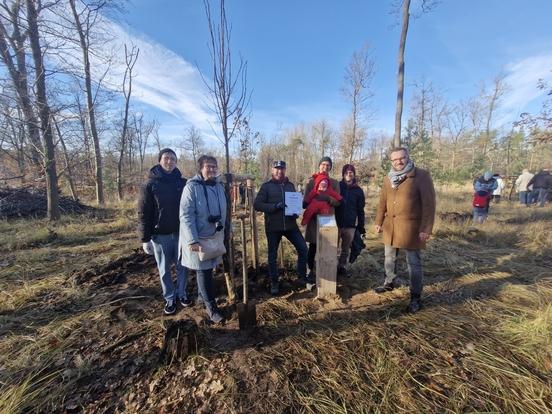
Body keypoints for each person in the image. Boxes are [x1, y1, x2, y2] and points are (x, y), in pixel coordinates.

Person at [374, 147, 436, 314]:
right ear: (391, 161)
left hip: (411, 229)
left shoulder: (421, 176)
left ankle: (415, 297)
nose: (398, 162)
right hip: (390, 227)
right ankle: (389, 282)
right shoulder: (388, 178)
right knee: (389, 257)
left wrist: (426, 229)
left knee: (413, 263)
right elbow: (382, 202)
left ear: (407, 157)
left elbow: (429, 205)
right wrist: (379, 222)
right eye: (394, 160)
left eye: (401, 158)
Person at [138, 148, 189, 315]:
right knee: (164, 269)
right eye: (166, 158)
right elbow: (143, 212)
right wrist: (145, 238)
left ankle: (182, 293)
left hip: (180, 234)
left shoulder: (182, 183)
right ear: (160, 160)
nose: (170, 162)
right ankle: (169, 297)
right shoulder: (149, 185)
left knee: (183, 266)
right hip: (160, 236)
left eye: (173, 159)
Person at [179, 155, 227, 323]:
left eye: (214, 166)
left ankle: (202, 297)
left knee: (210, 267)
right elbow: (186, 215)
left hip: (215, 236)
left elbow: (224, 210)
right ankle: (211, 308)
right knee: (203, 270)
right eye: (208, 166)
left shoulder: (218, 186)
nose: (212, 169)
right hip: (199, 238)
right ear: (200, 168)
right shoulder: (191, 187)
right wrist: (192, 239)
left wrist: (226, 230)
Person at [254, 160, 308, 295]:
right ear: (272, 170)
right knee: (272, 256)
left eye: (282, 169)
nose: (280, 171)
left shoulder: (290, 185)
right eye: (277, 169)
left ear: (285, 170)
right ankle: (274, 282)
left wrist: (296, 212)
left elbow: (295, 202)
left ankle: (301, 276)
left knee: (303, 249)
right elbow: (257, 204)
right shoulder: (266, 187)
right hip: (273, 227)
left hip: (290, 225)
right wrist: (274, 207)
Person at [303, 156, 341, 285]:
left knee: (327, 247)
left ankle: (326, 271)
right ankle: (310, 271)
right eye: (323, 164)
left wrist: (327, 199)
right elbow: (305, 201)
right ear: (319, 166)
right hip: (314, 219)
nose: (325, 167)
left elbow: (338, 202)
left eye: (328, 165)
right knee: (313, 246)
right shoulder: (311, 182)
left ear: (330, 167)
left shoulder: (335, 183)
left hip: (327, 219)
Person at [335, 164, 366, 276]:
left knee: (345, 249)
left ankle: (342, 267)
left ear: (354, 174)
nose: (349, 174)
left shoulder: (358, 191)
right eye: (347, 172)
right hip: (336, 224)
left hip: (350, 225)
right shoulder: (337, 186)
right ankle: (331, 267)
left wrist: (361, 227)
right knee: (334, 248)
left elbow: (360, 210)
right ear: (343, 174)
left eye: (351, 172)